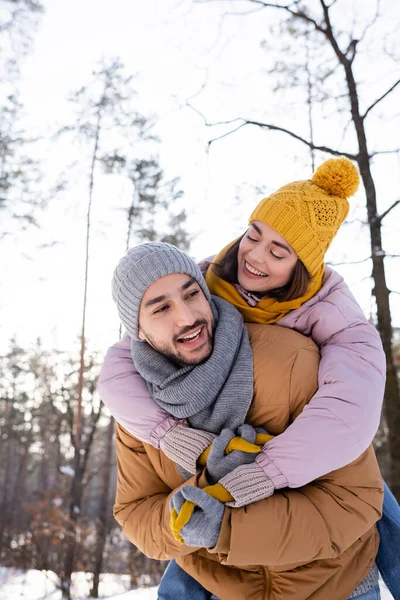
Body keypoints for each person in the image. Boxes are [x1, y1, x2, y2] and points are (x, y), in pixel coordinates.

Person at [98, 157, 398, 597]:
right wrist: (166, 436)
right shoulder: (206, 280)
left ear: (302, 270)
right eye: (252, 237)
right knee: (189, 545)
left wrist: (268, 471)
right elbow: (119, 370)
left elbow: (351, 413)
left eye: (278, 252)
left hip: (326, 552)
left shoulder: (325, 328)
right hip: (223, 573)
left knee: (377, 498)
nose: (255, 258)